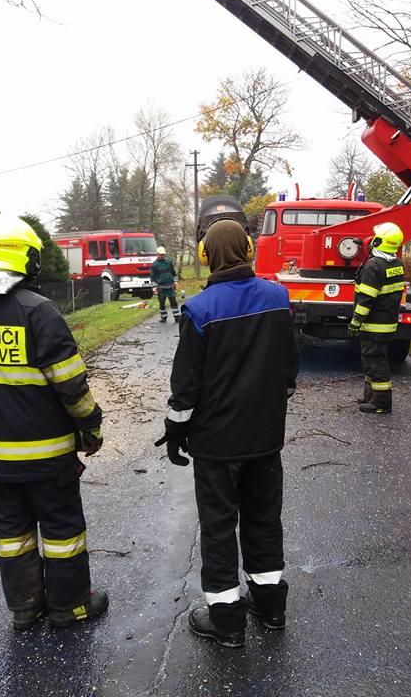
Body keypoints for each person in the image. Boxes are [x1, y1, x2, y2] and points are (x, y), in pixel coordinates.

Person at [0, 215, 108, 632]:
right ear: (26, 258)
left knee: (12, 533)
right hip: (47, 455)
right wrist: (91, 424)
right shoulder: (39, 312)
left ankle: (25, 607)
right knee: (61, 530)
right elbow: (71, 386)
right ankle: (69, 606)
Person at [156, 217, 299, 648]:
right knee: (264, 520)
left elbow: (186, 386)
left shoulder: (199, 310)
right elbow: (289, 369)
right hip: (265, 439)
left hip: (217, 446)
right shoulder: (279, 298)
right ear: (249, 250)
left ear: (206, 256)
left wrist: (176, 431)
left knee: (219, 528)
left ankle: (228, 624)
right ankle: (271, 608)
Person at [348, 221, 406, 415]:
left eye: (375, 238)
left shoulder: (374, 267)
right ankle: (369, 395)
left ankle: (381, 402)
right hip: (387, 323)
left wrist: (356, 322)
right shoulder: (396, 264)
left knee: (375, 361)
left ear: (380, 241)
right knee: (371, 359)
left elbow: (366, 300)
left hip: (374, 325)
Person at [150, 246, 180, 323]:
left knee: (173, 302)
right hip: (161, 288)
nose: (162, 256)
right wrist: (154, 287)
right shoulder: (154, 265)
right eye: (160, 254)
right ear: (157, 254)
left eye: (163, 254)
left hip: (170, 286)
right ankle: (163, 317)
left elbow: (174, 273)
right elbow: (152, 277)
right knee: (162, 303)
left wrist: (176, 281)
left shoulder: (169, 262)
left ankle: (177, 316)